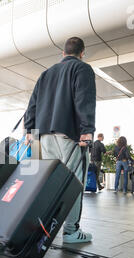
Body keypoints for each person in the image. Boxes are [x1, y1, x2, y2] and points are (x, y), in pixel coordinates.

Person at [24, 37, 96, 244]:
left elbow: (32, 104)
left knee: (52, 183)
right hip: (70, 136)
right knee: (73, 183)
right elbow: (84, 98)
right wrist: (87, 130)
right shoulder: (82, 69)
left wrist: (29, 130)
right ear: (82, 53)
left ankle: (45, 227)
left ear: (62, 53)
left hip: (45, 137)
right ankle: (71, 231)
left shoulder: (45, 74)